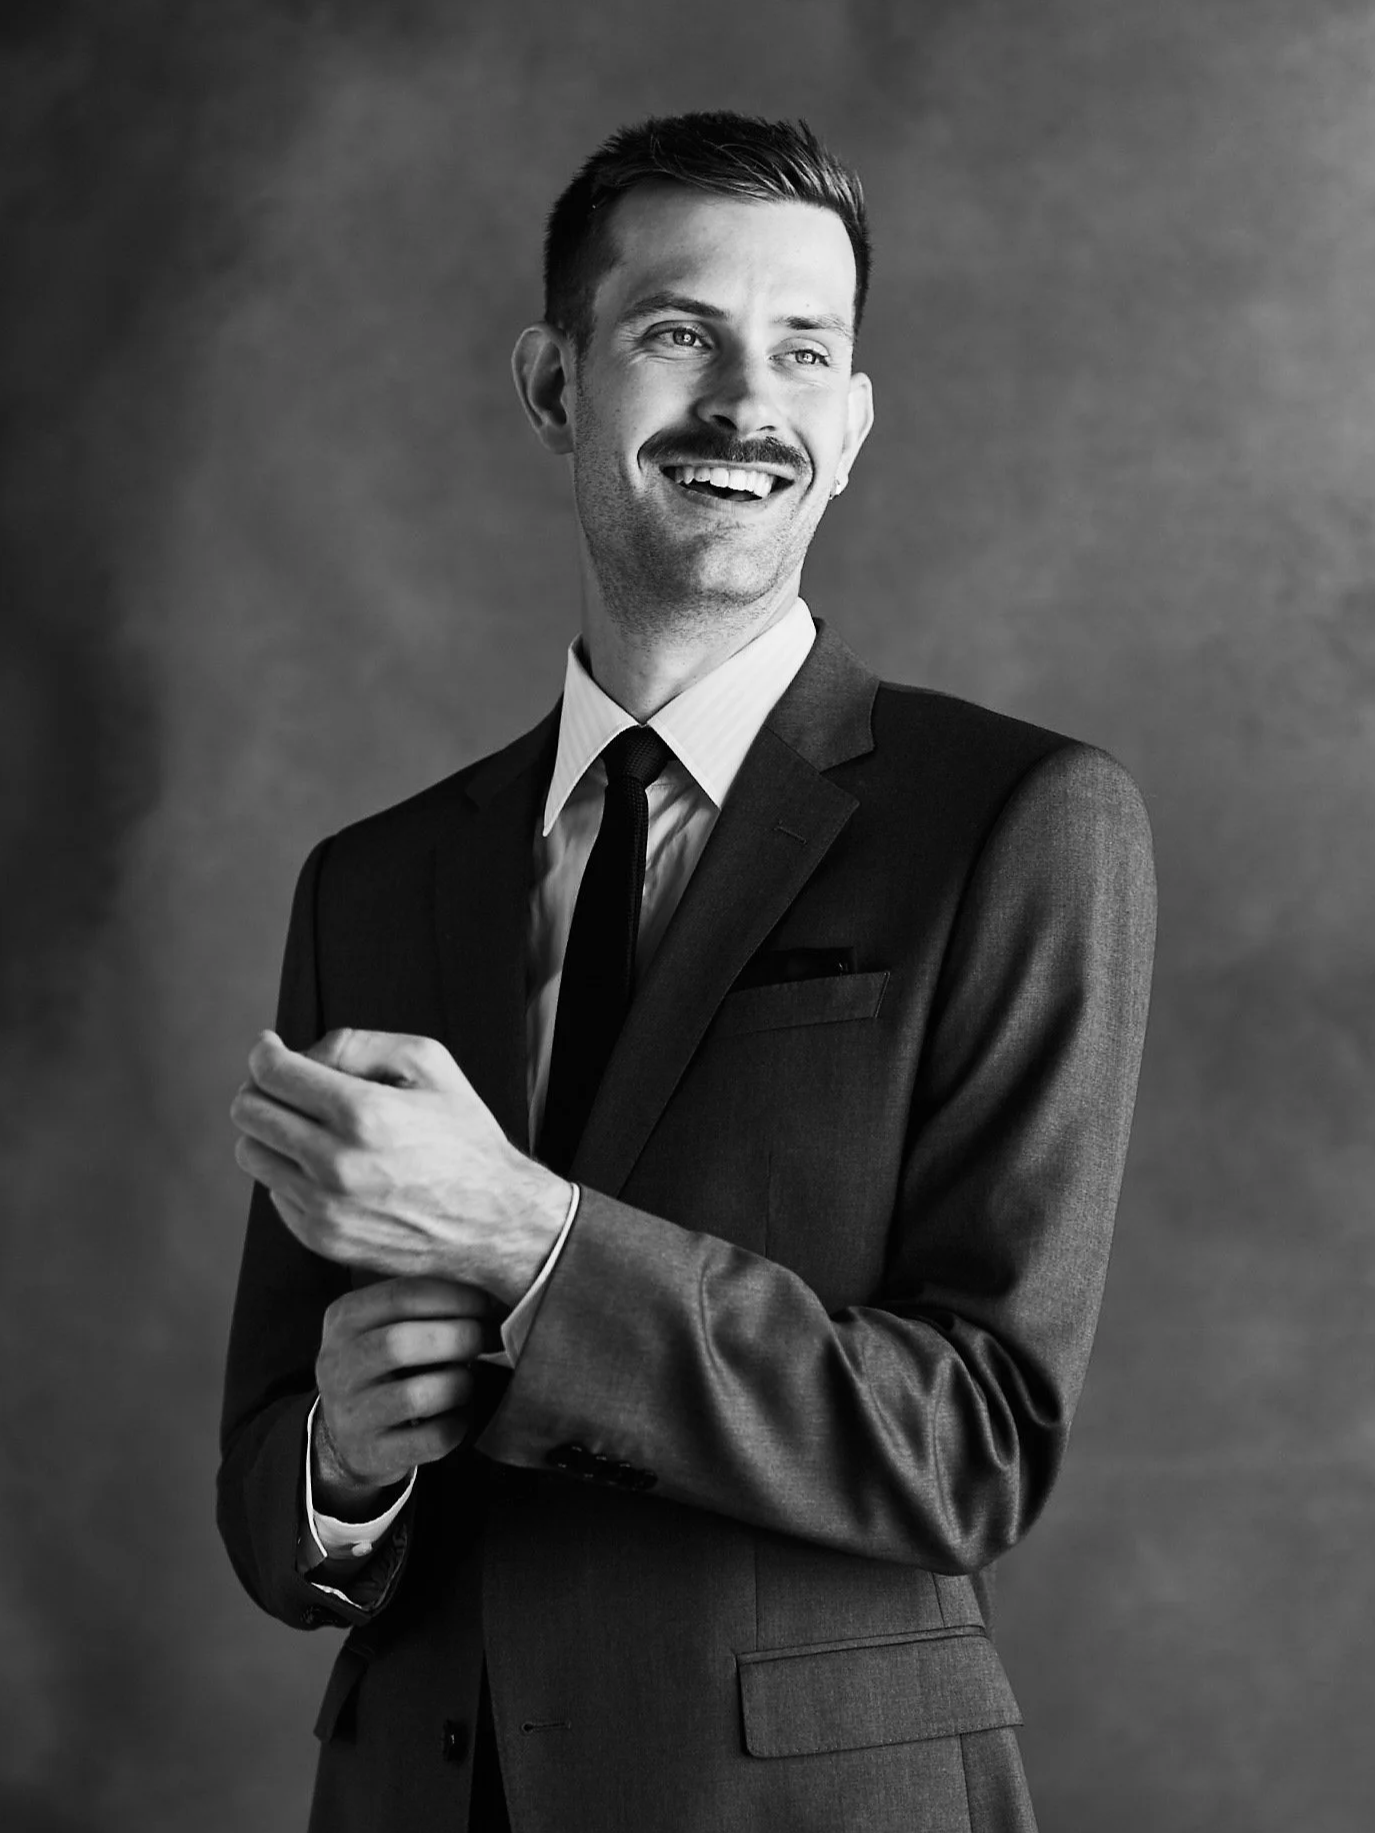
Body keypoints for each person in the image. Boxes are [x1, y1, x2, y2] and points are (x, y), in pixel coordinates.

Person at [220, 112, 1156, 1833]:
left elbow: (976, 1442)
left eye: (802, 350)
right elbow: (271, 1491)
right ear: (553, 385)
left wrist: (531, 1242)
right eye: (679, 333)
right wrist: (339, 1469)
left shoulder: (1019, 820)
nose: (747, 403)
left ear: (851, 426)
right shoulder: (371, 882)